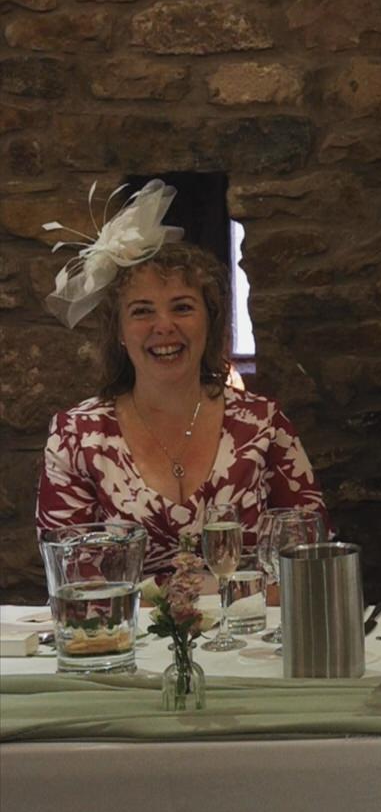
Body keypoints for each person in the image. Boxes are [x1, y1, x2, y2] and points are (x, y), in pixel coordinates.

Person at [39, 183, 322, 581]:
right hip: (126, 641)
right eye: (142, 311)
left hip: (249, 639)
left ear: (210, 321)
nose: (164, 327)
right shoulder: (76, 436)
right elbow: (73, 582)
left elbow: (310, 562)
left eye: (183, 308)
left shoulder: (264, 423)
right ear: (119, 331)